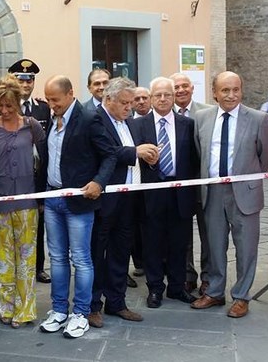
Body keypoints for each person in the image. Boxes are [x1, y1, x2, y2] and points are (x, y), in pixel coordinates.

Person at [38, 75, 116, 339]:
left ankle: (81, 313)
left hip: (80, 201)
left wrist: (98, 182)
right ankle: (59, 310)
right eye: (48, 100)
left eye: (55, 100)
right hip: (52, 198)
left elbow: (109, 155)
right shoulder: (52, 118)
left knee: (81, 259)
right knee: (57, 257)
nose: (51, 105)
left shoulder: (89, 118)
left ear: (70, 94)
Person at [191, 71, 268, 318]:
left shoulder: (258, 119)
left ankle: (241, 296)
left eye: (235, 89)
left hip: (245, 193)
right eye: (225, 90)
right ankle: (215, 292)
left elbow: (265, 157)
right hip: (213, 191)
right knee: (214, 245)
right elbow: (200, 151)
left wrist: (247, 178)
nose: (231, 95)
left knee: (246, 247)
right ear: (214, 93)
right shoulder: (201, 118)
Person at [0, 76, 45, 328]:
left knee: (26, 257)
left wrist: (43, 194)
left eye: (9, 106)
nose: (4, 111)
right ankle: (5, 306)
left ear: (18, 103)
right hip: (0, 198)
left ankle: (25, 310)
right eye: (0, 106)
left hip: (27, 198)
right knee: (5, 256)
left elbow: (44, 157)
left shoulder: (31, 125)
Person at [88, 77, 152, 328]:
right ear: (108, 99)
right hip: (105, 199)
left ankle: (117, 302)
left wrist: (147, 157)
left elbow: (133, 153)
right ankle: (93, 305)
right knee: (97, 253)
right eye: (124, 102)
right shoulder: (95, 119)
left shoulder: (130, 122)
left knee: (121, 251)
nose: (129, 107)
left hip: (128, 198)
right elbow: (106, 152)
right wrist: (135, 152)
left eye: (131, 102)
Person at [130, 77, 200, 308]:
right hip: (150, 194)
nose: (162, 99)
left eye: (167, 95)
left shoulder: (187, 124)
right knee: (152, 243)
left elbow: (193, 160)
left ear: (173, 97)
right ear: (151, 98)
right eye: (158, 95)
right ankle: (155, 288)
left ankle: (177, 287)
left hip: (180, 193)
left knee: (180, 243)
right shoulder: (138, 125)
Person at [8, 58, 52, 284]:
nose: (26, 85)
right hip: (15, 175)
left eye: (30, 80)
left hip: (36, 173)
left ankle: (38, 267)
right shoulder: (6, 107)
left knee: (38, 223)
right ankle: (16, 265)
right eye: (21, 80)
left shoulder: (43, 108)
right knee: (14, 223)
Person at [170, 72, 212, 295]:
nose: (181, 90)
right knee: (182, 236)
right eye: (176, 87)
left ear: (192, 88)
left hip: (204, 184)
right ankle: (187, 276)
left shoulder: (208, 112)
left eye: (184, 86)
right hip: (179, 187)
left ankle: (207, 278)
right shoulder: (165, 113)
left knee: (208, 234)